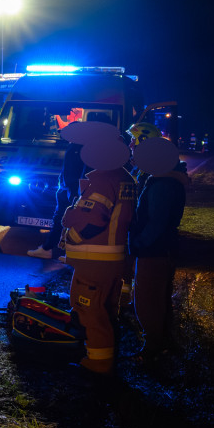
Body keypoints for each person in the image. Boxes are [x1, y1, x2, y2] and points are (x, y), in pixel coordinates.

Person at [61, 136, 136, 375]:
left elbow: (92, 220)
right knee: (107, 310)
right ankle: (107, 357)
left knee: (89, 310)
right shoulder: (125, 178)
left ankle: (99, 363)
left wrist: (71, 234)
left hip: (94, 260)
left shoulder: (103, 180)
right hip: (112, 259)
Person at [127, 127, 189, 360]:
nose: (131, 148)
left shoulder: (162, 184)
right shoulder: (162, 178)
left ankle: (152, 347)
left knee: (147, 299)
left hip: (155, 250)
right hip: (161, 248)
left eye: (135, 144)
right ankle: (161, 341)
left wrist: (140, 244)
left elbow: (157, 222)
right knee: (158, 297)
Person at [28, 112, 112, 259]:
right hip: (67, 190)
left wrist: (75, 191)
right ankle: (59, 250)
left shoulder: (80, 147)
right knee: (63, 220)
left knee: (67, 220)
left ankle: (51, 249)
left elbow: (81, 171)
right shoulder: (76, 145)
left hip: (71, 191)